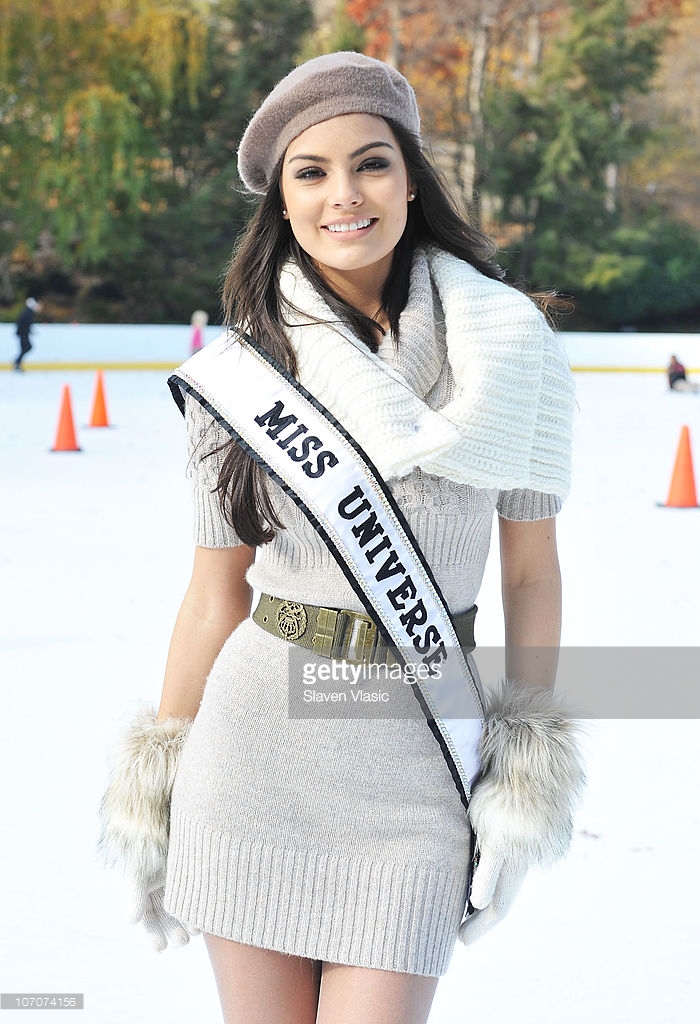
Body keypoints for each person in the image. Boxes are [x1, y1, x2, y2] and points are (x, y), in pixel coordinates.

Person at [100, 52, 584, 1024]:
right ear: (281, 199)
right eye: (309, 172)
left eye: (369, 163)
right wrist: (155, 785)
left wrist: (523, 760)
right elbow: (211, 597)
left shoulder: (511, 349)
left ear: (411, 176)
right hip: (251, 758)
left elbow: (531, 574)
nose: (343, 195)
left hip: (418, 760)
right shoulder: (242, 374)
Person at [14, 297, 41, 371]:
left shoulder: (27, 312)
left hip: (23, 334)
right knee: (27, 347)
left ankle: (17, 363)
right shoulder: (27, 313)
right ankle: (17, 362)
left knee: (25, 348)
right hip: (23, 334)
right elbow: (23, 323)